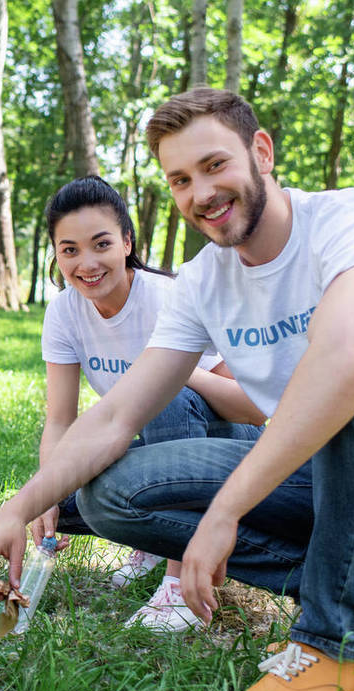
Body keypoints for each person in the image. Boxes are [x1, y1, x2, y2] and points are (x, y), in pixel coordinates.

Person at [0, 87, 354, 691]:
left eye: (214, 166)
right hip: (334, 482)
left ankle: (334, 646)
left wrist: (226, 509)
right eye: (180, 179)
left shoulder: (347, 219)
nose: (200, 192)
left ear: (260, 152)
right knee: (111, 493)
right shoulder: (203, 280)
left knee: (352, 379)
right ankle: (347, 578)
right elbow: (118, 413)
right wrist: (17, 504)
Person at [36, 176, 264, 631]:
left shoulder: (169, 299)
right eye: (70, 250)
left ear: (126, 242)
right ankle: (152, 540)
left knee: (168, 397)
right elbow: (60, 420)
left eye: (101, 243)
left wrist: (169, 370)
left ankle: (180, 586)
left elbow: (252, 410)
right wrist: (41, 496)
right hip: (154, 442)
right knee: (63, 497)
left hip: (231, 448)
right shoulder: (64, 311)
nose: (86, 263)